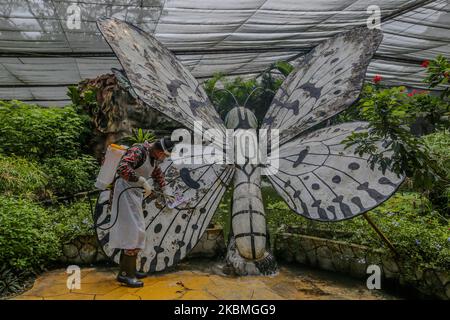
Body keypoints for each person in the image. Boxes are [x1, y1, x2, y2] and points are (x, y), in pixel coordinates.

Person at [109, 137, 175, 287]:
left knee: (134, 232)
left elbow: (157, 173)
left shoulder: (154, 158)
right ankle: (126, 274)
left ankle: (128, 269)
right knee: (134, 232)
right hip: (124, 192)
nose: (164, 158)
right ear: (158, 150)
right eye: (164, 155)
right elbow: (122, 167)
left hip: (134, 194)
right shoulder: (138, 150)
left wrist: (165, 189)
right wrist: (142, 181)